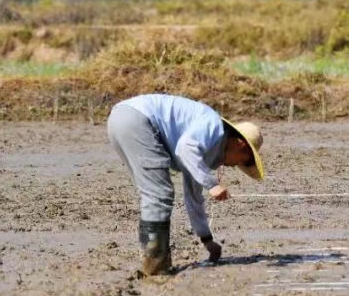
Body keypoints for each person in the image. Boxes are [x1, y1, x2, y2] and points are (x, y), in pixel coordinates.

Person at [107, 93, 265, 276]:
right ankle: (156, 269)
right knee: (158, 194)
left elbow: (194, 198)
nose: (235, 166)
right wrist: (211, 184)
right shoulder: (213, 127)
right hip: (137, 119)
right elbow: (185, 148)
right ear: (240, 144)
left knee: (154, 193)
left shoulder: (202, 153)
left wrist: (207, 240)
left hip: (123, 119)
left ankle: (156, 264)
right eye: (244, 162)